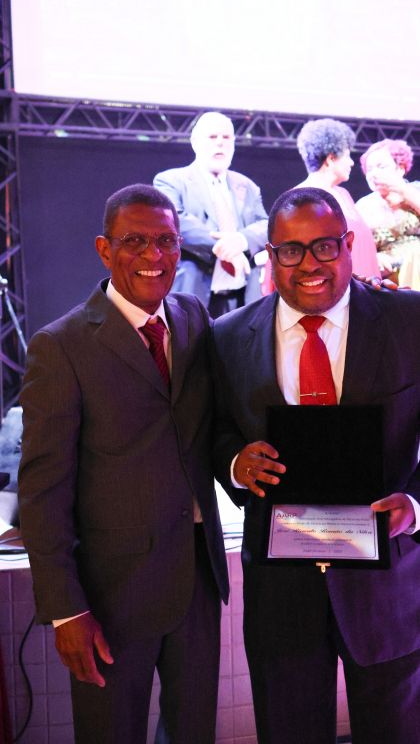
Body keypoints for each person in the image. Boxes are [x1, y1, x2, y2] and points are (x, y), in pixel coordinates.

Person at [18, 184, 229, 744]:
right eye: (135, 241)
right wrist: (66, 611)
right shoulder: (61, 346)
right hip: (111, 596)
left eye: (167, 241)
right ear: (104, 249)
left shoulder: (192, 317)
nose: (154, 255)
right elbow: (42, 493)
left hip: (196, 581)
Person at [211, 186, 420, 744]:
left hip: (387, 588)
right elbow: (215, 428)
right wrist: (234, 462)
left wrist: (416, 504)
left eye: (324, 246)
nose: (309, 264)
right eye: (291, 250)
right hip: (281, 595)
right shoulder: (227, 338)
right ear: (270, 255)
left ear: (348, 245)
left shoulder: (409, 320)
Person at [153, 111, 268, 317]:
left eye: (226, 137)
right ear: (195, 143)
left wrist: (241, 240)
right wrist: (227, 247)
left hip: (242, 297)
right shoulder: (170, 181)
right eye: (213, 137)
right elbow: (175, 222)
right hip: (194, 294)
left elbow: (265, 225)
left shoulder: (247, 186)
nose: (220, 143)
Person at [296, 117, 380, 277]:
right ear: (331, 159)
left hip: (364, 284)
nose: (352, 163)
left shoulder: (343, 194)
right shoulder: (302, 199)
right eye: (347, 156)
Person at [356, 139, 420, 287]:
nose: (374, 174)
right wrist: (374, 258)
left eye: (381, 167)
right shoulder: (363, 207)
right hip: (388, 275)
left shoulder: (416, 191)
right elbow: (356, 250)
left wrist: (403, 191)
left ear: (400, 169)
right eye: (369, 169)